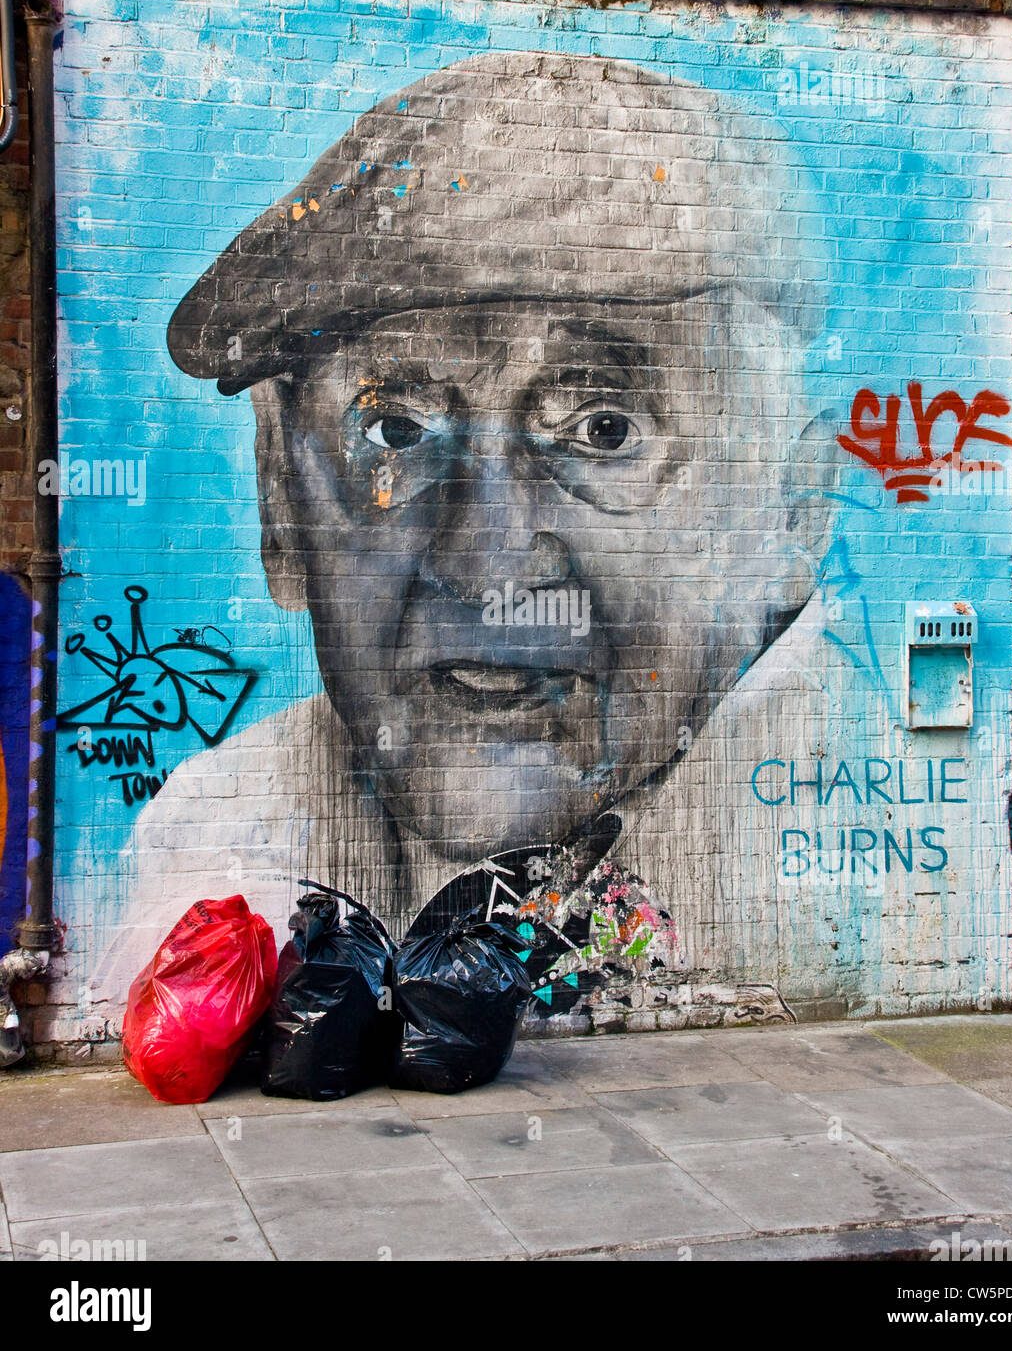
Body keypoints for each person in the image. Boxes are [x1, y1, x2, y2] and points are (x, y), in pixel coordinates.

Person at [92, 51, 835, 1022]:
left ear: (787, 515)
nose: (483, 561)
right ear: (281, 496)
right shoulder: (213, 841)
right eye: (394, 430)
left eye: (602, 429)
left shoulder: (843, 835)